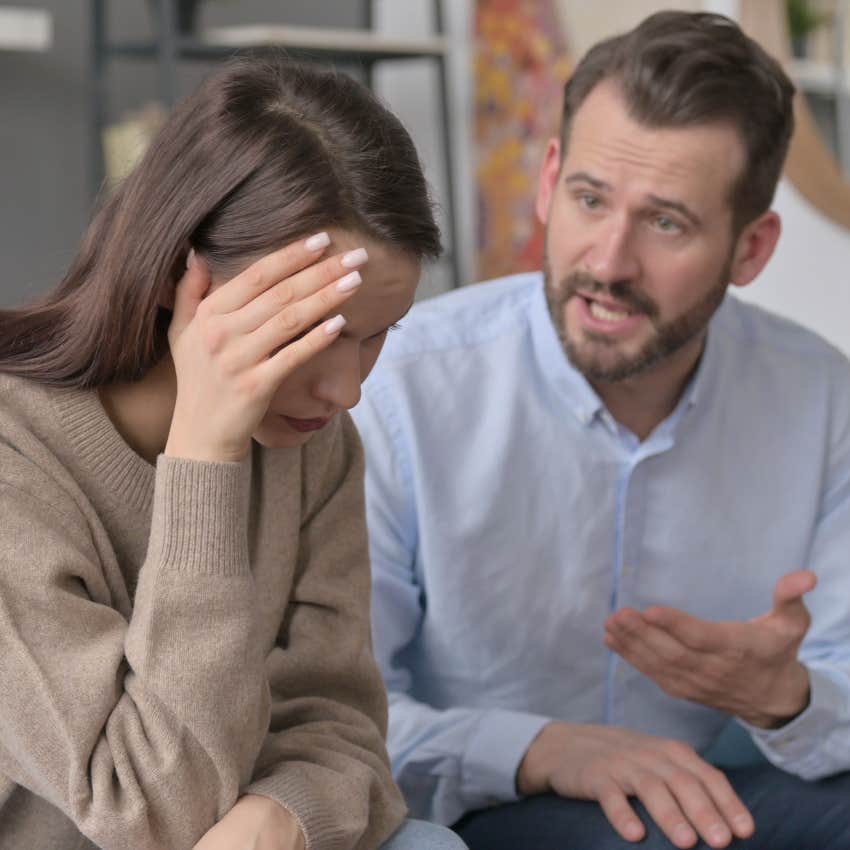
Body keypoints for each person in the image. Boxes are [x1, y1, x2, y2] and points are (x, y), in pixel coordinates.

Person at [351, 11, 850, 850]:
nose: (608, 262)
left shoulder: (823, 398)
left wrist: (785, 698)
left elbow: (837, 692)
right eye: (589, 200)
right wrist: (543, 749)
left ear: (751, 249)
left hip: (721, 793)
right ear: (549, 183)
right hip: (483, 805)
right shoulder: (403, 388)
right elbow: (335, 717)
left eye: (666, 223)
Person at [0, 56, 469, 850]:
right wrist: (205, 458)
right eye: (308, 333)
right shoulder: (18, 457)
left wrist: (285, 815)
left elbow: (341, 720)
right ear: (173, 275)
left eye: (375, 337)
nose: (347, 390)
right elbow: (145, 808)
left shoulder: (313, 445)